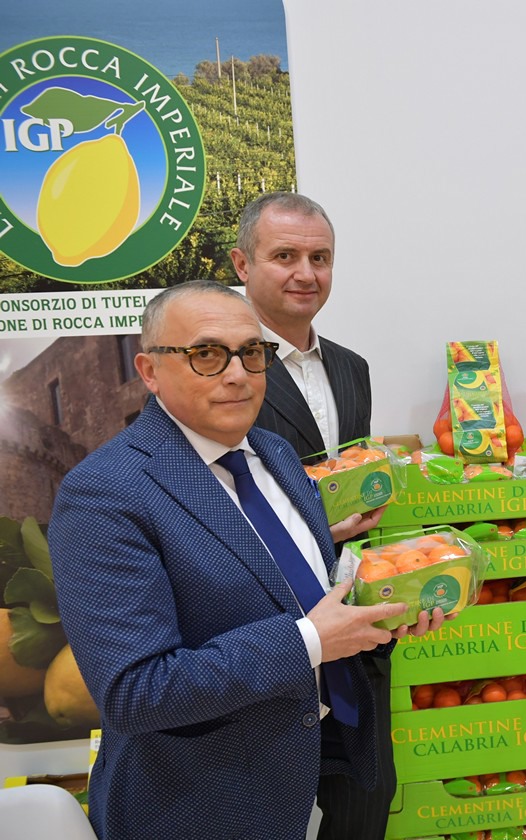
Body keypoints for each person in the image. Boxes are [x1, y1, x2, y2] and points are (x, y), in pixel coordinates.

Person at [46, 281, 444, 840]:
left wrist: (377, 619)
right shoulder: (105, 494)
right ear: (150, 370)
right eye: (206, 354)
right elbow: (137, 692)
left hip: (332, 760)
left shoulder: (276, 454)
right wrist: (311, 641)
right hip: (206, 801)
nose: (237, 374)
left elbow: (304, 593)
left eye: (252, 352)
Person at [230, 192, 394, 838]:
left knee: (364, 803)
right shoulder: (222, 371)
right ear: (242, 264)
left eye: (320, 258)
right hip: (264, 634)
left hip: (355, 625)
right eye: (285, 256)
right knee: (268, 814)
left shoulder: (352, 368)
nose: (306, 273)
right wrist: (314, 532)